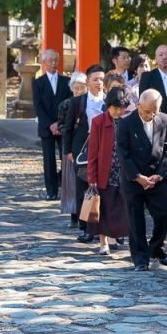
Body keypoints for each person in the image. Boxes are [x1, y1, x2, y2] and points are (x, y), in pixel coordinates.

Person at [116, 89, 167, 271]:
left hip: (156, 177)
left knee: (164, 213)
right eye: (146, 111)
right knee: (135, 219)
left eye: (154, 111)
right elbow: (122, 153)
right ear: (138, 105)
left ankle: (157, 248)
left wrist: (160, 174)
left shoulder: (165, 120)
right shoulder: (126, 122)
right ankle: (140, 257)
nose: (151, 115)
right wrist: (137, 176)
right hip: (133, 178)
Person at [62, 65, 106, 243]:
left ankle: (104, 227)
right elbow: (67, 128)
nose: (99, 83)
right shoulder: (77, 102)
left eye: (102, 79)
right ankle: (87, 226)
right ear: (87, 81)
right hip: (82, 150)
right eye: (95, 79)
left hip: (104, 149)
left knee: (104, 189)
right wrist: (68, 151)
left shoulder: (109, 100)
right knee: (83, 188)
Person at [87, 88, 133, 255]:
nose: (118, 111)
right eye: (115, 108)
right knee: (103, 208)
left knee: (124, 207)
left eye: (121, 108)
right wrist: (92, 178)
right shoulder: (98, 121)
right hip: (104, 171)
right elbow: (92, 153)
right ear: (108, 106)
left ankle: (120, 236)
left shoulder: (128, 120)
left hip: (124, 171)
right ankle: (103, 242)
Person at [33, 49, 72, 201]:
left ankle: (67, 188)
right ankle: (51, 190)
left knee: (66, 159)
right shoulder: (37, 83)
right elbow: (38, 106)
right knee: (48, 160)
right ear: (43, 62)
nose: (53, 63)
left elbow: (69, 104)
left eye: (55, 60)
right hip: (46, 126)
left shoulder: (66, 82)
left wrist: (60, 123)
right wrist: (51, 124)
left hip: (63, 126)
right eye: (49, 60)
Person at [58, 71, 88, 222]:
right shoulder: (66, 104)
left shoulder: (90, 103)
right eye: (76, 87)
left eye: (82, 87)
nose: (79, 90)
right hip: (71, 146)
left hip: (87, 145)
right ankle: (73, 215)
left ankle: (86, 213)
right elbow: (62, 126)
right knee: (71, 182)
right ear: (71, 88)